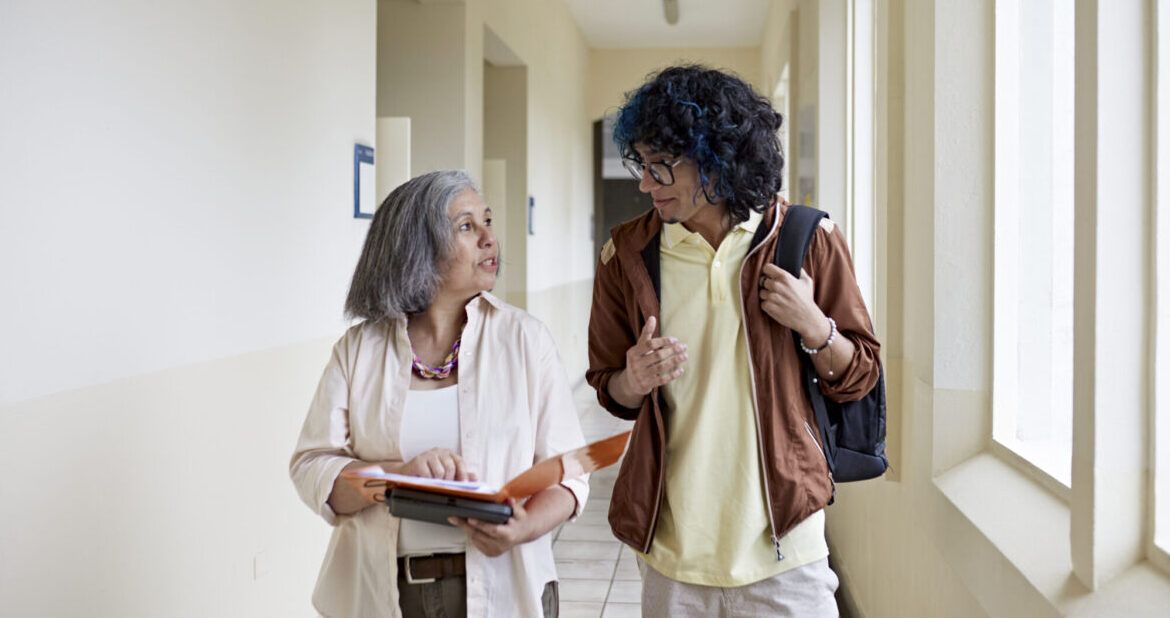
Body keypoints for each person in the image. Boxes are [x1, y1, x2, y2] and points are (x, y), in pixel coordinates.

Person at [586, 65, 882, 617]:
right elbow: (609, 390)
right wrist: (634, 378)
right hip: (673, 555)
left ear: (718, 160)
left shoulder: (808, 238)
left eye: (662, 167)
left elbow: (862, 373)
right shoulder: (626, 255)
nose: (645, 184)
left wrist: (814, 326)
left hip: (786, 551)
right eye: (642, 165)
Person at [290, 170, 588, 618]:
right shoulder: (360, 350)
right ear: (418, 247)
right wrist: (397, 478)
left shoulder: (525, 340)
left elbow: (570, 473)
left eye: (487, 221)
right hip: (386, 592)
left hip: (508, 588)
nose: (490, 239)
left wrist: (524, 527)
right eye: (467, 226)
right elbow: (313, 467)